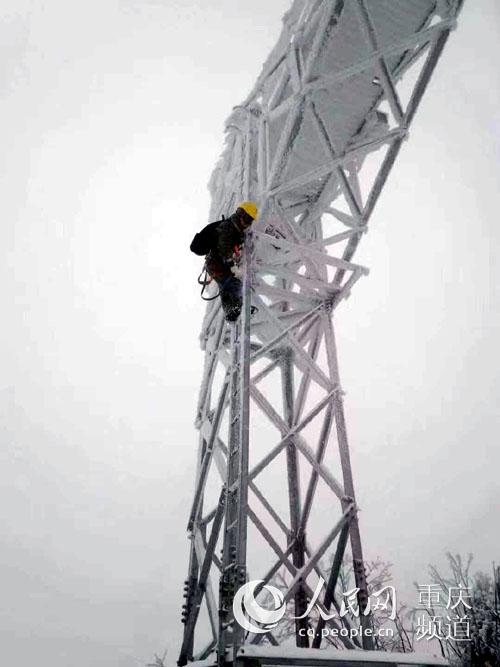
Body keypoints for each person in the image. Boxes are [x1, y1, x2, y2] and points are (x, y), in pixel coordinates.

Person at [190, 201, 257, 321]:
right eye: (247, 219)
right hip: (216, 264)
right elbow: (224, 248)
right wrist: (231, 264)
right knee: (232, 283)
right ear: (240, 214)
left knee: (227, 286)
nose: (247, 224)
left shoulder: (235, 229)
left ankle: (233, 311)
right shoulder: (227, 228)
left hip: (218, 264)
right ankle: (236, 309)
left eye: (250, 221)